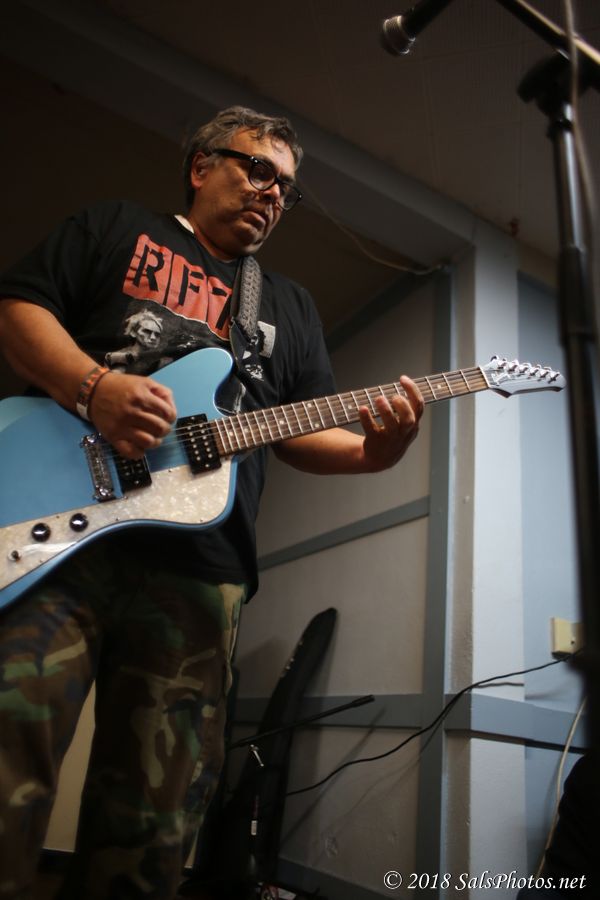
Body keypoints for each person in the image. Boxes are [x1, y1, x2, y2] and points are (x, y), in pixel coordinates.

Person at [0, 106, 423, 900]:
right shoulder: (116, 227)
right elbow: (19, 308)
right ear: (201, 166)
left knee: (156, 816)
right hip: (58, 543)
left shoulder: (289, 306)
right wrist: (93, 388)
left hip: (201, 569)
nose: (273, 193)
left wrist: (377, 453)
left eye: (286, 188)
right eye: (258, 170)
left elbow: (298, 430)